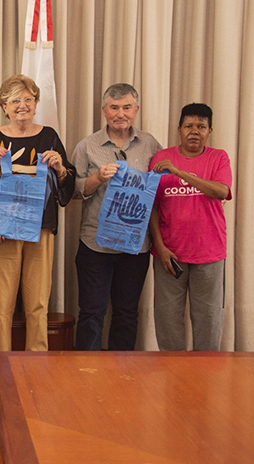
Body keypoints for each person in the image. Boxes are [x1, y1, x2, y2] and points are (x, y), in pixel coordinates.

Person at [0, 75, 74, 351]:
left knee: (38, 303)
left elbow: (67, 184)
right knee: (1, 305)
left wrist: (60, 168)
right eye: (15, 100)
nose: (22, 105)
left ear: (36, 103)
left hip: (40, 229)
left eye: (28, 99)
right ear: (4, 106)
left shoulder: (49, 136)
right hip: (3, 230)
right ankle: (1, 363)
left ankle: (36, 364)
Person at [71, 83, 162, 351]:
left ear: (136, 110)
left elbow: (160, 188)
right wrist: (98, 178)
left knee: (126, 313)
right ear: (104, 110)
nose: (120, 114)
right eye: (114, 108)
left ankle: (122, 370)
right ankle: (86, 369)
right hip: (95, 244)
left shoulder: (150, 144)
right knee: (92, 311)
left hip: (135, 246)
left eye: (126, 107)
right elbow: (72, 191)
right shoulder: (87, 146)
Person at [149, 103, 231, 351]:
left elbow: (221, 191)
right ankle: (172, 371)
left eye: (201, 127)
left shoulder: (218, 157)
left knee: (208, 320)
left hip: (209, 252)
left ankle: (207, 371)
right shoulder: (161, 159)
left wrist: (179, 172)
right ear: (179, 129)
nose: (194, 131)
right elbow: (151, 206)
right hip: (169, 254)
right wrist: (160, 246)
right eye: (189, 126)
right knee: (167, 321)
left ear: (210, 131)